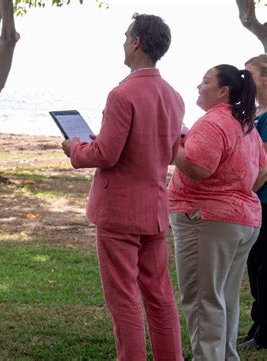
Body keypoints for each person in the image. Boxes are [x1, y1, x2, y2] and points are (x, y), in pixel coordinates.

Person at [61, 14, 184, 361]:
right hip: (155, 209)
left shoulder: (122, 93)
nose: (123, 42)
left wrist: (74, 149)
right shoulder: (173, 96)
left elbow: (105, 154)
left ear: (136, 42)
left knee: (124, 299)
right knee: (160, 296)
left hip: (119, 213)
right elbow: (167, 148)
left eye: (125, 36)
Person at [168, 64, 265, 361]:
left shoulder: (214, 122)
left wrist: (173, 147)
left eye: (206, 81)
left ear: (223, 91)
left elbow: (199, 168)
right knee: (224, 296)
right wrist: (236, 189)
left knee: (202, 299)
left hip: (207, 220)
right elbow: (261, 171)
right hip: (241, 220)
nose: (199, 85)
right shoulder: (245, 122)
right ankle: (224, 356)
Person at [241, 54, 267, 350]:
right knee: (255, 266)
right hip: (254, 204)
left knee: (264, 269)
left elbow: (263, 168)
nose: (244, 80)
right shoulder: (256, 112)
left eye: (250, 74)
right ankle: (256, 327)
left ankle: (263, 334)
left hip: (263, 201)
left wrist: (243, 191)